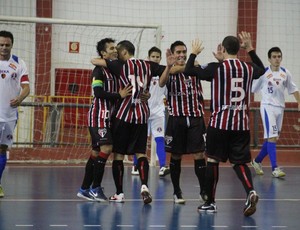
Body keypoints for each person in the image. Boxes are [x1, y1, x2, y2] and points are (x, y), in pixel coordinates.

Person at [184, 31, 265, 216]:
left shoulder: (216, 68)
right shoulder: (248, 68)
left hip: (219, 123)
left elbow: (189, 71)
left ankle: (211, 203)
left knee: (212, 160)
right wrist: (251, 49)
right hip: (241, 125)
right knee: (240, 162)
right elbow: (262, 69)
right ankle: (251, 191)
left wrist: (194, 53)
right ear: (239, 49)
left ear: (223, 48)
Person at [91, 40, 169, 204]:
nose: (116, 54)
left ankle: (119, 193)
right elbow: (165, 75)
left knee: (118, 155)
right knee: (141, 153)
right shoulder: (148, 65)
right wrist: (169, 66)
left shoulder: (119, 65)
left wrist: (106, 59)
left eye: (118, 51)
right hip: (142, 115)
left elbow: (95, 61)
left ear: (124, 52)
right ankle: (145, 186)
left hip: (123, 115)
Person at [77, 38, 132, 201]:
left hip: (110, 118)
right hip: (98, 117)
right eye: (112, 48)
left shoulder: (116, 70)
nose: (115, 50)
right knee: (107, 148)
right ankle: (95, 187)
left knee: (96, 153)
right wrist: (118, 95)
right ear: (103, 53)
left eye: (116, 48)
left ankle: (84, 188)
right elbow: (98, 93)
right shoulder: (98, 70)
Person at [159, 41, 207, 205]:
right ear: (172, 54)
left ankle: (203, 191)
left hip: (195, 117)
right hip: (176, 119)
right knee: (176, 155)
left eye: (184, 52)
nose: (181, 55)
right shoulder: (169, 70)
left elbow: (208, 71)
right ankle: (177, 191)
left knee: (200, 154)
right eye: (178, 52)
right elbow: (161, 82)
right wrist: (168, 67)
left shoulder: (194, 67)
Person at [251, 47, 300, 178]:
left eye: (279, 56)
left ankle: (256, 161)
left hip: (280, 108)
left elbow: (293, 89)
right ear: (269, 59)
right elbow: (253, 88)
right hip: (268, 107)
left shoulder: (285, 73)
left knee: (272, 139)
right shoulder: (264, 73)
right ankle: (275, 168)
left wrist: (299, 102)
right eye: (274, 56)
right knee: (272, 137)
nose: (277, 59)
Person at [131, 46, 170, 177]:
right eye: (153, 57)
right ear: (148, 58)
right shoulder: (143, 73)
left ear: (160, 59)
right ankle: (135, 166)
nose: (155, 59)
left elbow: (166, 93)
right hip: (143, 111)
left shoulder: (164, 73)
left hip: (158, 113)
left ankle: (163, 166)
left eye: (157, 57)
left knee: (160, 139)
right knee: (140, 140)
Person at [0, 30, 30, 198]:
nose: (4, 48)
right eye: (1, 45)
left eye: (7, 45)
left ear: (12, 45)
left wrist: (20, 98)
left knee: (2, 150)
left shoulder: (19, 63)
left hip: (9, 116)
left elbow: (26, 87)